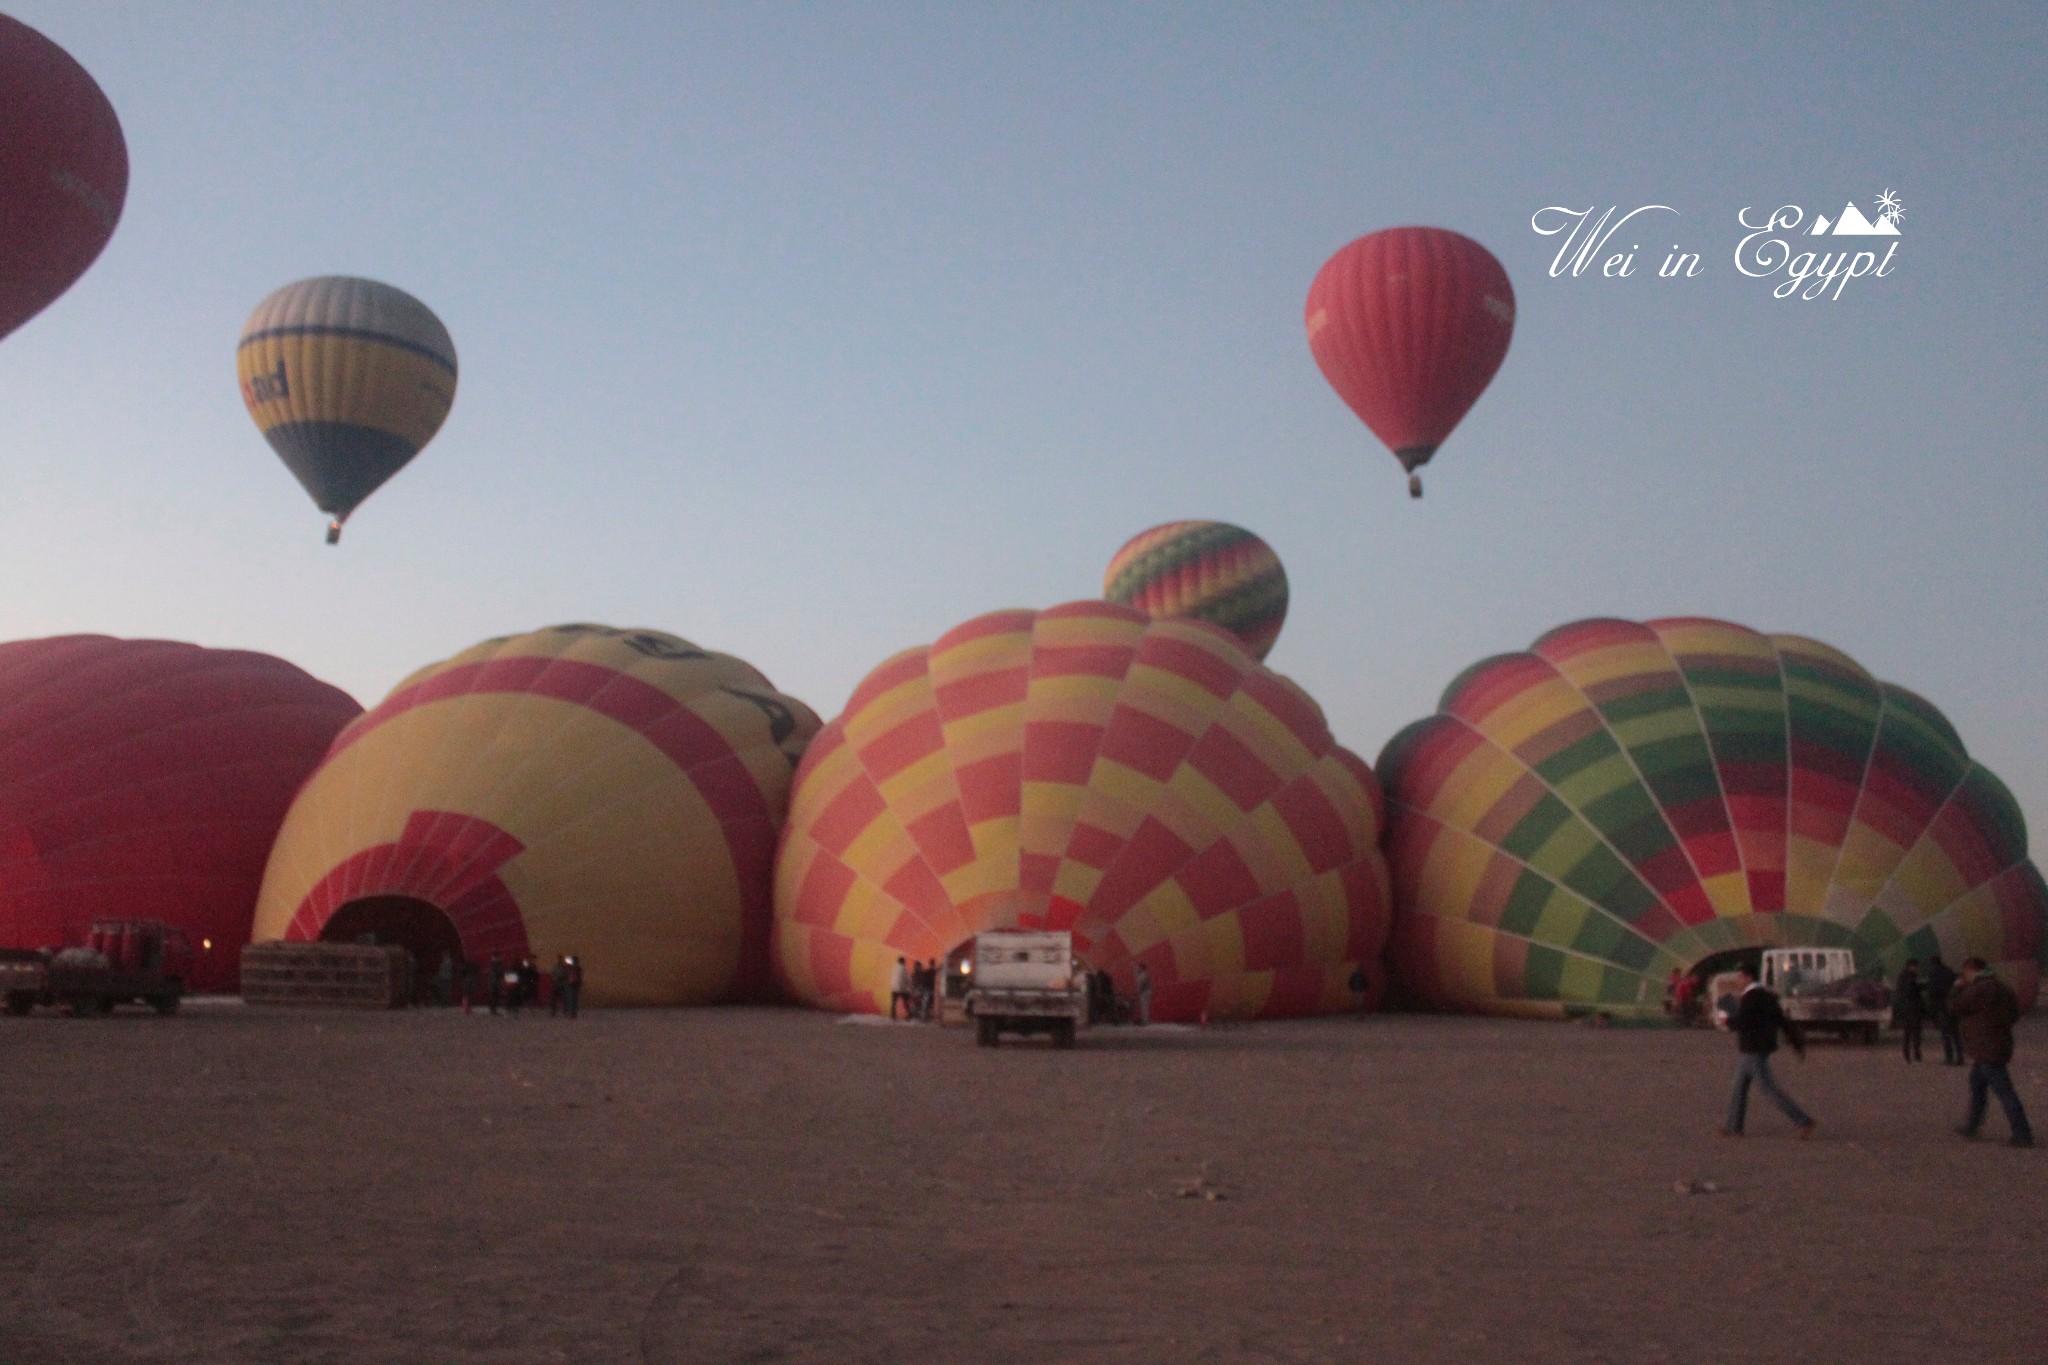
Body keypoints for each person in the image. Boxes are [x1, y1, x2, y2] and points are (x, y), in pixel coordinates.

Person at [1720, 966, 1816, 1140]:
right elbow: (1782, 1021)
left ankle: (1803, 1120)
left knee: (1768, 1089)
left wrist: (1728, 1021)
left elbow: (1744, 1022)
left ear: (1747, 977)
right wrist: (1796, 1044)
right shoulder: (1768, 995)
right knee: (1738, 1086)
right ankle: (1733, 1126)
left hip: (1752, 1049)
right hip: (1760, 1047)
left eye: (1740, 977)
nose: (1738, 981)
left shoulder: (1750, 997)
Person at [1948, 957, 2033, 1148]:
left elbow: (1955, 1007)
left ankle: (2022, 1133)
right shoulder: (2002, 988)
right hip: (1995, 1045)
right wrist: (1998, 1027)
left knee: (2004, 1091)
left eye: (1965, 973)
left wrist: (1957, 988)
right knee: (1977, 1084)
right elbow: (2014, 1012)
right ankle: (1972, 1124)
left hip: (1986, 1048)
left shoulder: (1978, 989)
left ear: (1971, 970)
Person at [1925, 954, 1962, 1065]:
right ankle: (1960, 1056)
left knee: (1945, 1033)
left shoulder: (1934, 974)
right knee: (1955, 1033)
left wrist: (1931, 1007)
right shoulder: (1949, 972)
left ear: (1932, 964)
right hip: (1952, 1006)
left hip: (1942, 1007)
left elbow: (1932, 991)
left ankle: (1949, 1057)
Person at [1891, 959, 1925, 1063]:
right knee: (1914, 1031)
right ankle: (1914, 1053)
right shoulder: (1910, 977)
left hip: (1906, 1008)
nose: (1917, 969)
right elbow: (1910, 990)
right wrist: (1919, 986)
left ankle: (1908, 1053)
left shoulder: (1903, 976)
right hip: (1912, 1007)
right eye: (1915, 967)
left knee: (1908, 1032)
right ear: (1911, 966)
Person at [562, 955, 582, 1019]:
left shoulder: (573, 968)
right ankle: (572, 1013)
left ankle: (572, 1013)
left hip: (573, 985)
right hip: (572, 985)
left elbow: (579, 977)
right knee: (572, 999)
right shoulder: (572, 968)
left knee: (572, 999)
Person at [1133, 962, 1152, 1027]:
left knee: (1144, 1007)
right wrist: (1133, 966)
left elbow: (1142, 985)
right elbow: (1135, 972)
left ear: (1142, 968)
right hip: (1145, 992)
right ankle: (1145, 1020)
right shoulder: (1142, 974)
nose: (1138, 968)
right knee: (1144, 1007)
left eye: (1139, 967)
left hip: (1145, 992)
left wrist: (1139, 992)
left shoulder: (1143, 975)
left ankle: (1145, 1021)